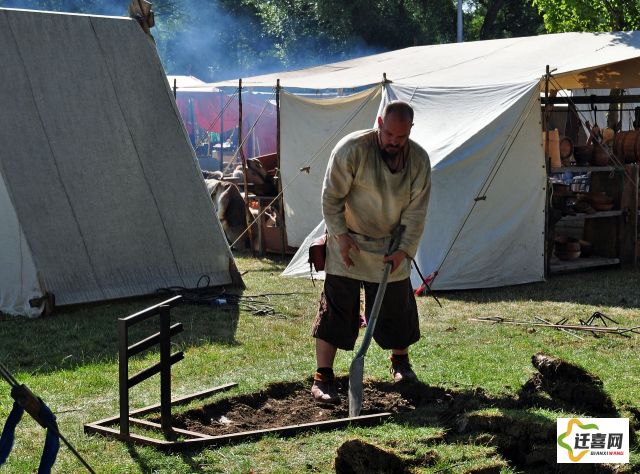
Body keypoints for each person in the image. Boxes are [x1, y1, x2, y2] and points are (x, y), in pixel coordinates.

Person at [311, 100, 431, 404]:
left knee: (398, 308)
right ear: (379, 123)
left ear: (410, 132)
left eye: (401, 137)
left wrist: (404, 250)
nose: (394, 141)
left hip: (391, 246)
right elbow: (331, 198)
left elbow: (416, 213)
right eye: (389, 134)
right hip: (347, 240)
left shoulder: (418, 160)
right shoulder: (351, 149)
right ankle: (324, 376)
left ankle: (400, 364)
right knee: (337, 308)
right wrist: (340, 236)